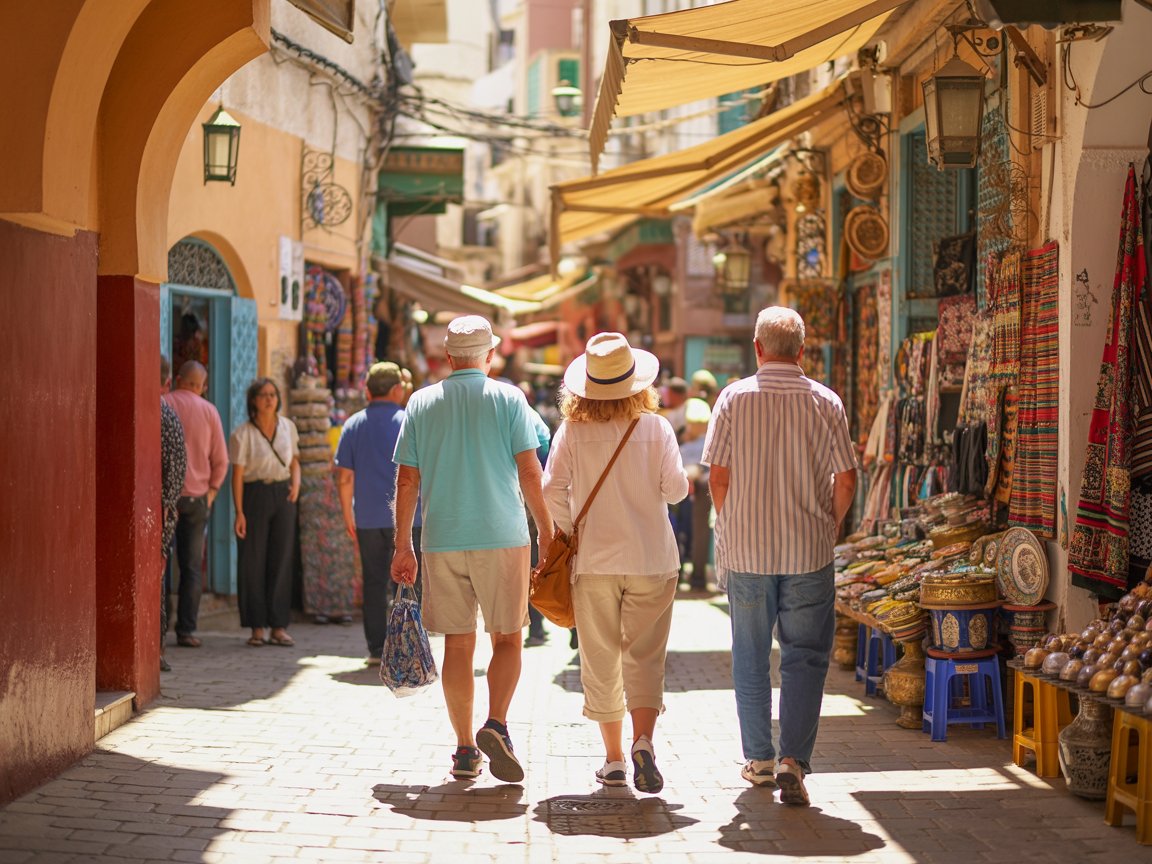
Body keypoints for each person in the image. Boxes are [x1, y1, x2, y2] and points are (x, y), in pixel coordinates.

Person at [702, 306, 858, 806]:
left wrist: (735, 522)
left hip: (747, 551)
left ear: (758, 348)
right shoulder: (827, 401)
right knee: (805, 658)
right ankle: (794, 760)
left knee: (750, 658)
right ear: (803, 351)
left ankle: (761, 759)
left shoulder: (732, 399)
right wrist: (828, 525)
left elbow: (718, 477)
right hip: (808, 551)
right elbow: (847, 478)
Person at [391, 316, 553, 783]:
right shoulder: (508, 398)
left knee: (458, 646)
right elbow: (529, 471)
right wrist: (546, 530)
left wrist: (403, 544)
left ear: (448, 358)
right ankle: (497, 724)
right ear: (490, 356)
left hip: (442, 538)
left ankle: (464, 751)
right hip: (503, 535)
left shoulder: (421, 402)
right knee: (506, 638)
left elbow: (407, 480)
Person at [542, 332, 689, 794]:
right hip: (652, 558)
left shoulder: (572, 431)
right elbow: (677, 491)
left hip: (595, 561)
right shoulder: (657, 428)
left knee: (601, 657)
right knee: (646, 656)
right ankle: (643, 740)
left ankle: (613, 759)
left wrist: (570, 529)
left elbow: (550, 490)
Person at [336, 361, 422, 666]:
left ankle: (376, 649)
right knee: (411, 580)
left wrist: (348, 513)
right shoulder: (410, 421)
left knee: (373, 582)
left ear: (368, 390)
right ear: (397, 389)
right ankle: (411, 647)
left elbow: (345, 477)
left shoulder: (354, 424)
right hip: (410, 518)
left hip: (369, 518)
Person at [229, 378, 300, 647]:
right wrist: (239, 511)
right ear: (253, 401)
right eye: (263, 395)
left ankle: (279, 626)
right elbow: (237, 475)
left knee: (281, 558)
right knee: (253, 560)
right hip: (254, 495)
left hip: (282, 494)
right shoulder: (242, 433)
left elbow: (294, 460)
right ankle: (256, 627)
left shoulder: (288, 427)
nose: (270, 399)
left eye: (273, 394)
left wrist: (296, 483)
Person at [163, 360, 229, 648]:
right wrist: (212, 490)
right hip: (198, 498)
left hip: (165, 498)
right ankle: (186, 630)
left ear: (177, 379)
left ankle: (158, 629)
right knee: (191, 567)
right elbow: (221, 460)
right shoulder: (210, 411)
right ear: (202, 385)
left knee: (161, 563)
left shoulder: (163, 403)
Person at [159, 355, 187, 673]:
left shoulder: (164, 415)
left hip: (161, 511)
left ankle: (158, 648)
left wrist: (166, 510)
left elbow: (175, 471)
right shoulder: (164, 414)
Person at [659, 376, 689, 442]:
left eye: (669, 393)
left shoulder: (684, 413)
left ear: (675, 395)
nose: (667, 396)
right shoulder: (672, 409)